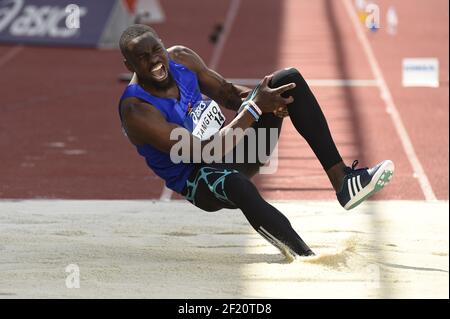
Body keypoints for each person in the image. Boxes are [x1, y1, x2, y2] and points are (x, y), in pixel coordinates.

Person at [117, 24, 394, 258]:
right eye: (143, 58)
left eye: (156, 50)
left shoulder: (180, 58)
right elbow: (203, 152)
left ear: (163, 46)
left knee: (286, 81)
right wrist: (254, 109)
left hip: (236, 151)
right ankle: (303, 256)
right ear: (129, 65)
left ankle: (342, 181)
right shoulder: (137, 110)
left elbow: (227, 93)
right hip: (199, 180)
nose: (155, 61)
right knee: (237, 184)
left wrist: (268, 101)